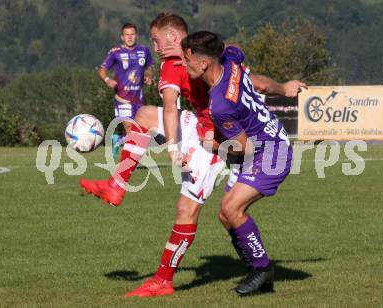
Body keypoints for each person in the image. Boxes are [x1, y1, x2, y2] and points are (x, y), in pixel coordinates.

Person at [81, 13, 304, 297]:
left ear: (198, 58)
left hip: (242, 146)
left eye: (157, 40)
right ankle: (118, 185)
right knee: (145, 116)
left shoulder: (211, 92)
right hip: (220, 135)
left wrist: (183, 147)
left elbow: (177, 108)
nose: (156, 47)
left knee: (215, 210)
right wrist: (283, 88)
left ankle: (254, 270)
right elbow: (256, 81)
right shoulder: (221, 57)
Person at [181, 30, 299, 295]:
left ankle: (262, 269)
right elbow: (262, 84)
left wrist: (213, 146)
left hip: (271, 153)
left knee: (231, 208)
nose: (183, 64)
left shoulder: (220, 105)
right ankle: (256, 270)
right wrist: (285, 89)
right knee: (226, 215)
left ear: (203, 63)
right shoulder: (231, 60)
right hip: (268, 144)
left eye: (186, 59)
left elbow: (243, 147)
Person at [99, 22, 154, 137]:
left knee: (140, 130)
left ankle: (117, 140)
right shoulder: (116, 52)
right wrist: (107, 80)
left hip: (139, 99)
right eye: (127, 35)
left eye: (132, 34)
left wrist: (149, 76)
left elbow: (149, 67)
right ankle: (128, 151)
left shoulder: (144, 51)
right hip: (122, 98)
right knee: (130, 129)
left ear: (136, 36)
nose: (129, 37)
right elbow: (102, 70)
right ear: (122, 37)